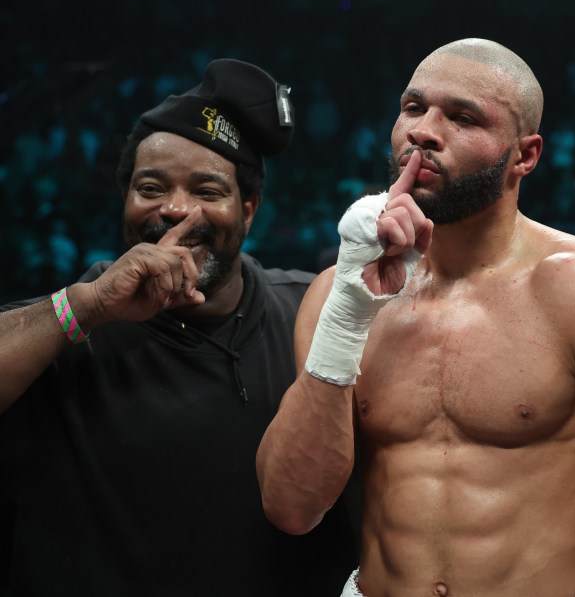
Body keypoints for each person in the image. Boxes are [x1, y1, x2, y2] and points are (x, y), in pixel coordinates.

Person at [256, 38, 575, 596]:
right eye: (413, 108)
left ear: (526, 155)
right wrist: (346, 313)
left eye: (463, 117)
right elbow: (292, 506)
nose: (424, 132)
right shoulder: (335, 298)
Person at [0, 59, 357, 595]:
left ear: (249, 211)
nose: (175, 209)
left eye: (207, 191)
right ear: (125, 202)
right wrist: (85, 307)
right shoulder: (67, 323)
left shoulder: (312, 314)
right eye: (150, 187)